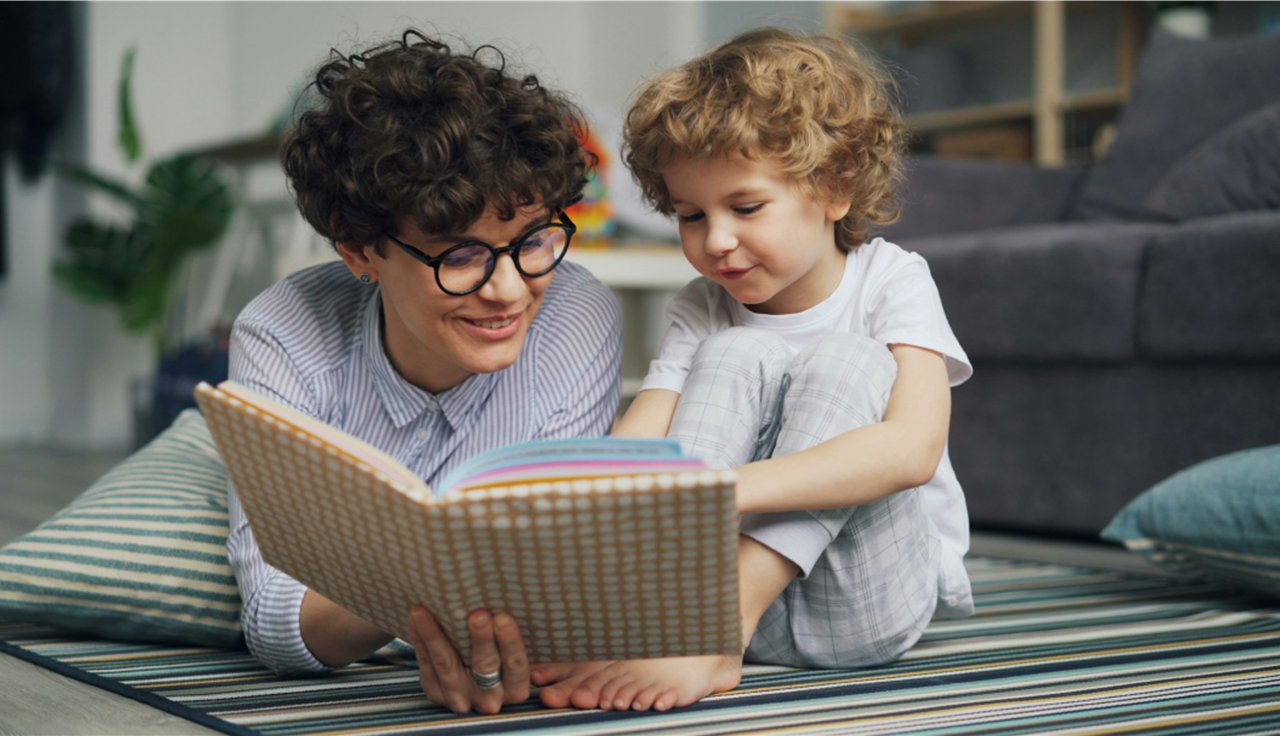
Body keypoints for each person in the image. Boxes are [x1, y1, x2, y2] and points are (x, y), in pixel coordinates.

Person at [534, 28, 975, 712]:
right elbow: (641, 449)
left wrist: (718, 488)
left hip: (865, 599)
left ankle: (717, 631)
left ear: (836, 187)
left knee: (848, 359)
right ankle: (691, 627)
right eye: (689, 215)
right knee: (735, 351)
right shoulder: (704, 306)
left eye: (744, 208)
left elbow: (913, 452)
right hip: (716, 599)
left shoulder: (892, 280)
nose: (715, 241)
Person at [224, 30, 623, 715]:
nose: (508, 291)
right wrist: (439, 588)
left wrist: (474, 628)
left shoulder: (578, 312)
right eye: (460, 256)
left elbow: (556, 584)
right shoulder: (283, 332)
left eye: (532, 241)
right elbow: (273, 619)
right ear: (359, 248)